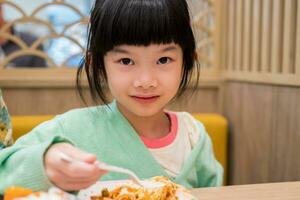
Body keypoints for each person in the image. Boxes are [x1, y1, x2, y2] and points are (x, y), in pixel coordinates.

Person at [0, 0, 223, 193]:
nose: (146, 81)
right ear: (97, 64)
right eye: (126, 61)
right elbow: (4, 172)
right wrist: (44, 163)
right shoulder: (71, 131)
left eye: (164, 60)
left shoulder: (194, 137)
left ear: (188, 60)